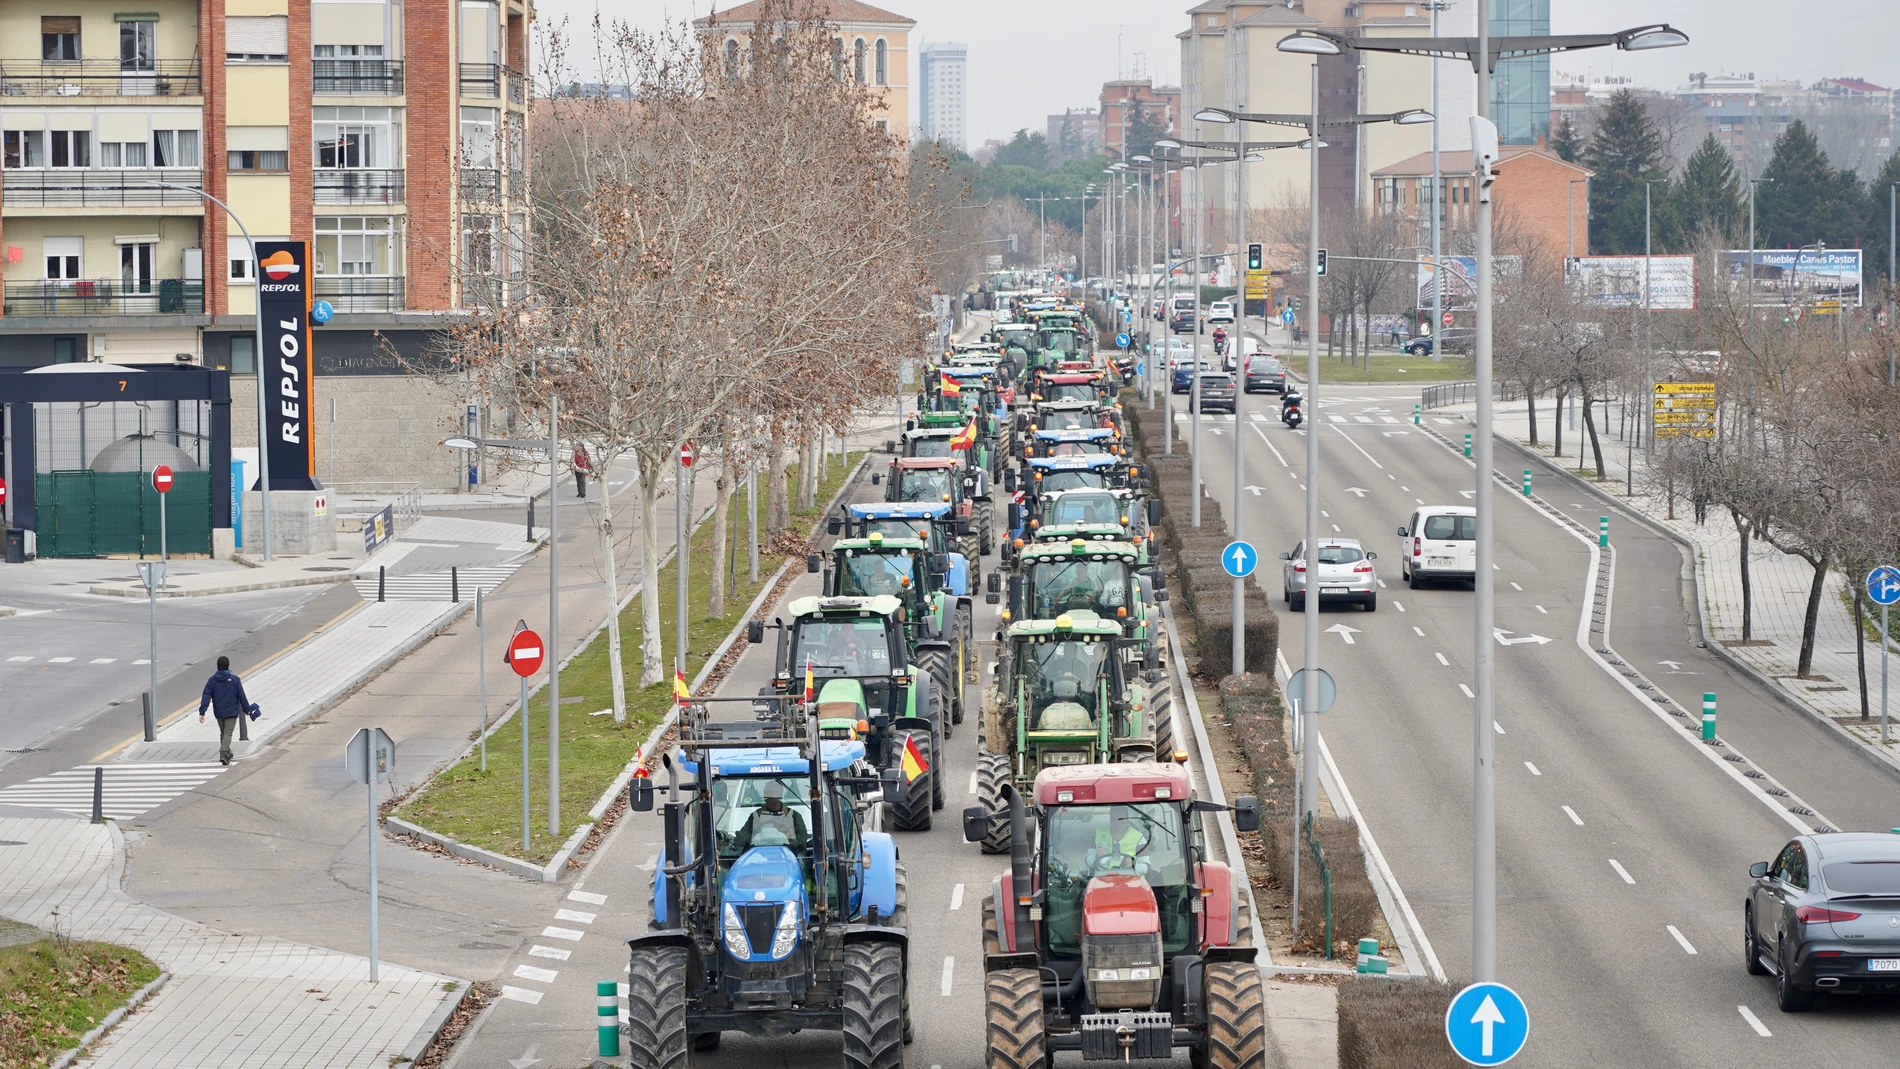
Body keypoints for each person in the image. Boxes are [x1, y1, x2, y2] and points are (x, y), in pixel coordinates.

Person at [198, 655, 255, 766]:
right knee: (228, 733)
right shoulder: (235, 679)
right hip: (232, 711)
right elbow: (241, 696)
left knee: (223, 732)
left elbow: (206, 695)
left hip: (218, 711)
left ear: (217, 666)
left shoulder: (212, 680)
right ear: (228, 666)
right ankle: (224, 753)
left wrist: (202, 712)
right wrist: (247, 709)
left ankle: (228, 752)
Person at [733, 781, 809, 854]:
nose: (767, 796)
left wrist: (786, 840)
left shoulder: (793, 816)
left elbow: (802, 837)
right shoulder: (756, 816)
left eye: (770, 792)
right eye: (765, 792)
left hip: (789, 854)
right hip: (758, 854)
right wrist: (756, 839)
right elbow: (744, 834)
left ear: (779, 794)